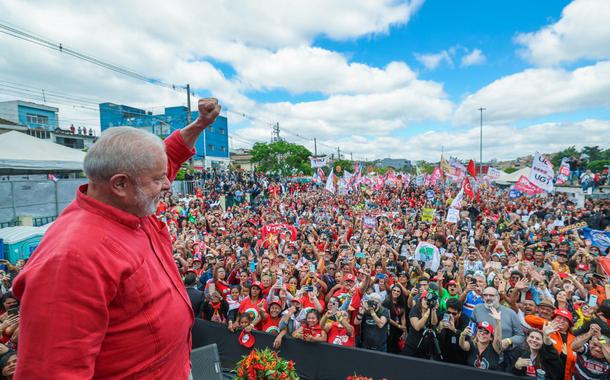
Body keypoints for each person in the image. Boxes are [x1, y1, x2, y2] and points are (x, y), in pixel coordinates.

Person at [12, 98, 221, 378]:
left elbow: (167, 157)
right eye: (159, 179)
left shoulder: (128, 201)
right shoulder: (72, 258)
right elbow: (50, 371)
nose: (168, 183)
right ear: (120, 184)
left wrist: (199, 125)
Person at [404, 291, 439, 359]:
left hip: (425, 348)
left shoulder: (432, 310)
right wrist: (427, 313)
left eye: (429, 300)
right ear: (421, 300)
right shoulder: (415, 309)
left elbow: (434, 323)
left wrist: (433, 309)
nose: (427, 301)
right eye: (425, 299)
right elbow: (417, 327)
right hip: (412, 346)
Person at [438, 298, 469, 365]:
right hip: (444, 354)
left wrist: (454, 330)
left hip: (459, 356)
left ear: (459, 313)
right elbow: (437, 337)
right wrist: (439, 329)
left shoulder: (465, 319)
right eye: (448, 312)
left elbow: (466, 339)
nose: (451, 315)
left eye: (454, 314)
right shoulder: (442, 316)